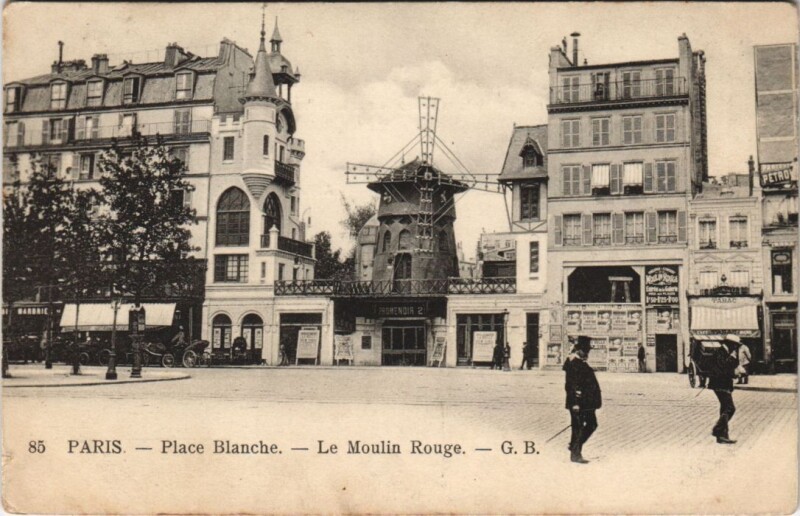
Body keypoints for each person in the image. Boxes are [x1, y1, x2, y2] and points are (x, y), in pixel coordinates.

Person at [563, 336, 602, 464]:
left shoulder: (581, 362)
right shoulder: (573, 364)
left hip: (588, 403)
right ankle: (575, 454)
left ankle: (574, 446)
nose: (587, 353)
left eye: (588, 351)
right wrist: (574, 403)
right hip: (579, 403)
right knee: (578, 427)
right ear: (578, 350)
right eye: (585, 351)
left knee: (592, 424)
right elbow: (570, 386)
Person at [708, 334, 741, 444]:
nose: (736, 348)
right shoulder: (720, 353)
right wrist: (733, 372)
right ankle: (717, 430)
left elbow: (730, 366)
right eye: (735, 346)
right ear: (730, 344)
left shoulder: (726, 353)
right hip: (720, 385)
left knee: (724, 409)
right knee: (730, 408)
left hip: (723, 384)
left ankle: (722, 436)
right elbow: (722, 369)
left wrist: (734, 359)